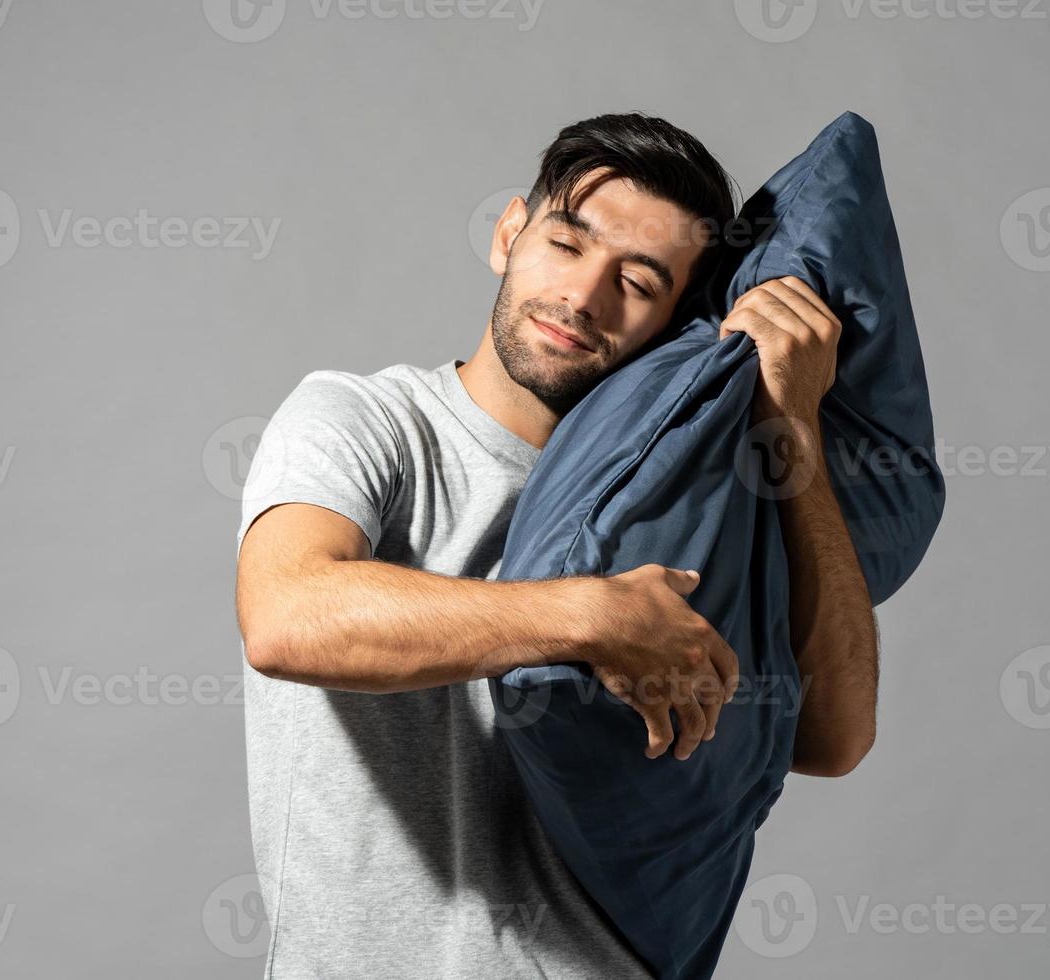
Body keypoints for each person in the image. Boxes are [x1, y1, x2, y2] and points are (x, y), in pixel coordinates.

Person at [233, 110, 879, 979]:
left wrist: (790, 421)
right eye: (567, 244)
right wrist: (590, 617)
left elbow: (832, 739)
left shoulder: (690, 506)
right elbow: (286, 618)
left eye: (638, 281)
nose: (582, 297)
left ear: (677, 323)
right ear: (510, 233)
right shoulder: (368, 422)